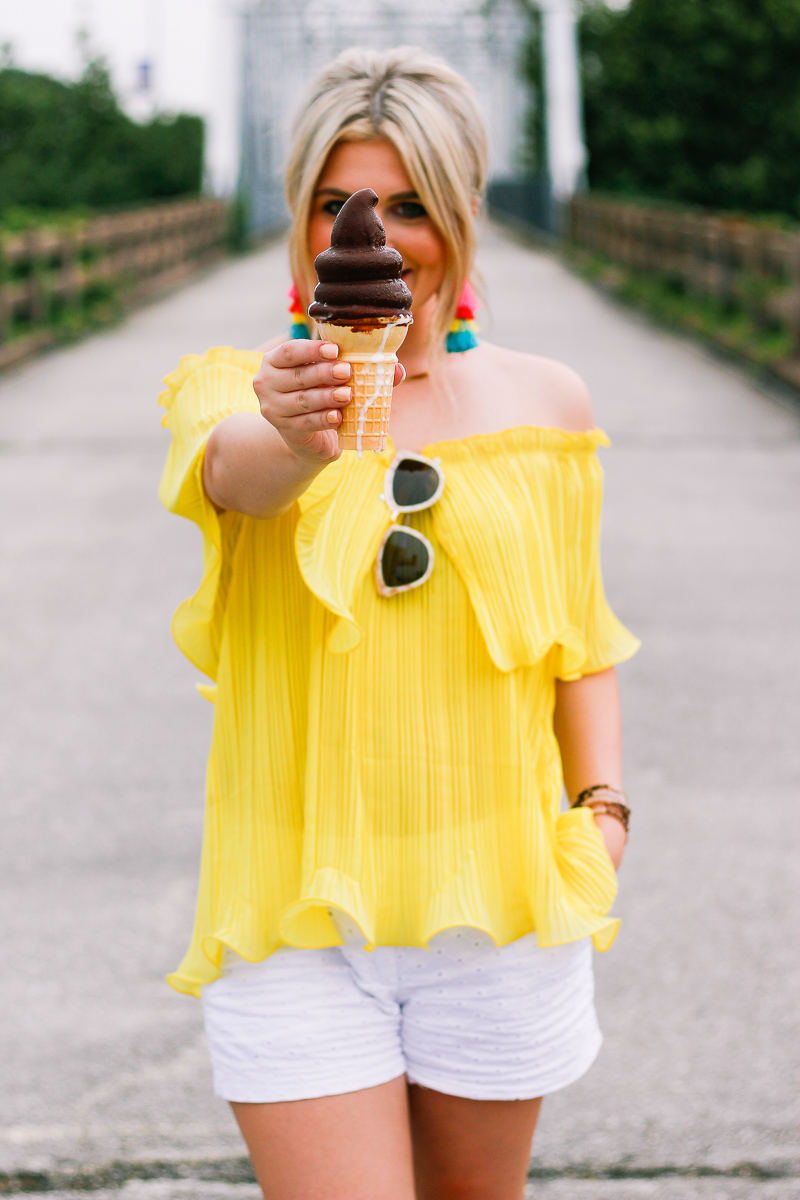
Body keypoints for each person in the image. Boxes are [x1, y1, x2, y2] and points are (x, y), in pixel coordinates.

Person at [158, 46, 639, 1200]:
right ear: (302, 216)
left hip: (500, 907)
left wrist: (603, 814)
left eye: (411, 201)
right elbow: (240, 475)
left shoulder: (546, 402)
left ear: (463, 209)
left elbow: (576, 639)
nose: (374, 230)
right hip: (296, 920)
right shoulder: (233, 393)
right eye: (337, 202)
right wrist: (302, 430)